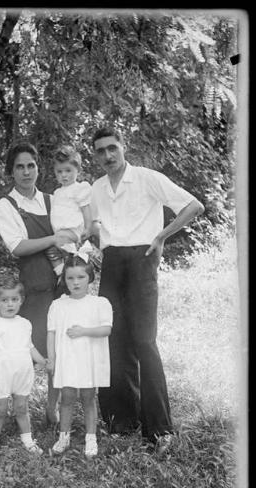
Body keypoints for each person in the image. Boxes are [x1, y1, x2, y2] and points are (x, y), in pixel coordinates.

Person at [89, 127, 204, 447]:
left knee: (144, 340)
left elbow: (193, 206)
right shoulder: (97, 188)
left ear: (123, 147)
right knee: (115, 339)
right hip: (112, 262)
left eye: (112, 148)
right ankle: (121, 422)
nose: (108, 156)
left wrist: (161, 236)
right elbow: (92, 226)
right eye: (100, 151)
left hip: (143, 259)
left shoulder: (146, 178)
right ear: (95, 155)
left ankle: (160, 428)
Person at [0, 141, 76, 426]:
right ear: (11, 171)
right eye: (20, 166)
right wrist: (54, 239)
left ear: (39, 168)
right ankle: (18, 409)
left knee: (59, 349)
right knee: (26, 350)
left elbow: (73, 233)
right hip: (34, 283)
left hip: (63, 283)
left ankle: (52, 410)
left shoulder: (53, 200)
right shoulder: (6, 205)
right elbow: (17, 246)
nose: (27, 172)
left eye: (31, 165)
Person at [46, 244, 113, 457]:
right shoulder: (58, 305)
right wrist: (52, 359)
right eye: (70, 278)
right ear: (64, 280)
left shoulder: (99, 303)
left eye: (80, 277)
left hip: (88, 357)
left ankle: (90, 438)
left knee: (88, 396)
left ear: (90, 278)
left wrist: (84, 331)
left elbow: (106, 329)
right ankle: (63, 436)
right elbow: (51, 333)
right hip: (67, 358)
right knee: (66, 397)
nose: (75, 283)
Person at [0, 276, 46, 459]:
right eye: (4, 300)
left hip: (23, 372)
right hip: (1, 373)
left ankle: (28, 441)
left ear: (21, 301)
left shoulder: (25, 323)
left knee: (22, 407)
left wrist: (42, 361)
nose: (10, 304)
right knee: (0, 409)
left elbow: (29, 346)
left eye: (14, 299)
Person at [44, 145, 93, 278]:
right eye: (59, 172)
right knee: (51, 250)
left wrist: (88, 228)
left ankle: (67, 272)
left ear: (78, 170)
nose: (64, 175)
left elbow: (86, 209)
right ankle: (62, 273)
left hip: (72, 230)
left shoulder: (79, 189)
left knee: (56, 247)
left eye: (68, 170)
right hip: (59, 232)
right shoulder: (57, 192)